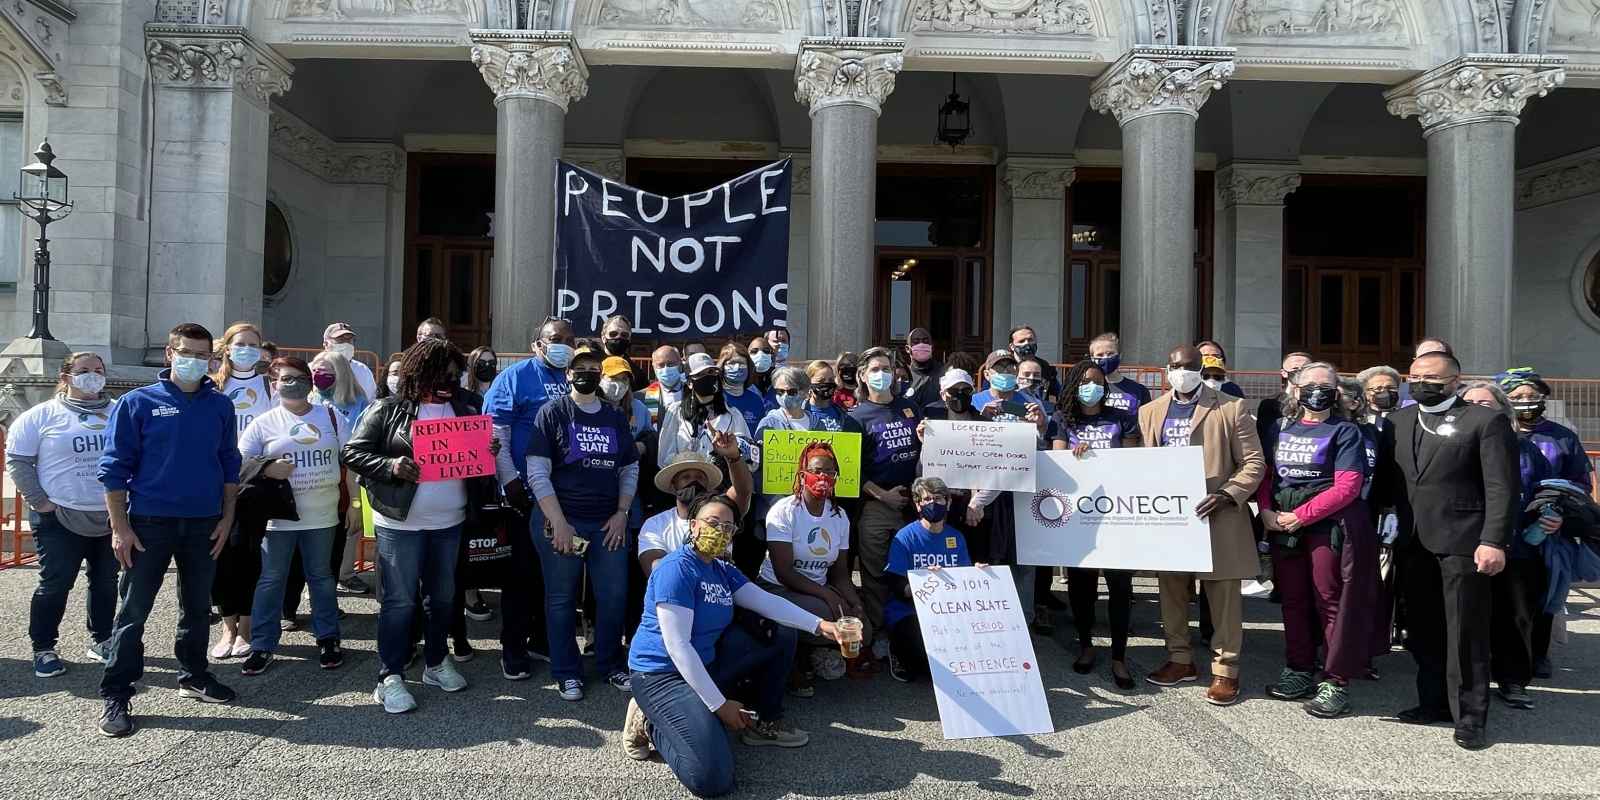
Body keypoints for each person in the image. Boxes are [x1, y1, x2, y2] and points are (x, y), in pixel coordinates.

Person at [622, 494, 838, 794]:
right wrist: (720, 705)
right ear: (694, 526)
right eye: (713, 523)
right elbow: (677, 646)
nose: (720, 531)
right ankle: (649, 724)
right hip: (662, 674)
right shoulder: (677, 568)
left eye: (728, 527)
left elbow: (767, 602)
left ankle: (766, 721)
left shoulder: (722, 570)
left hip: (705, 664)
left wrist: (821, 625)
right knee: (712, 779)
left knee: (779, 634)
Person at [96, 323, 242, 737]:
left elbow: (229, 462)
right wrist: (119, 526)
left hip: (203, 523)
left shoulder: (220, 406)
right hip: (149, 523)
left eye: (203, 355)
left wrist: (228, 515)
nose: (195, 361)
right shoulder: (136, 403)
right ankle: (118, 690)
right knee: (134, 610)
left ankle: (194, 675)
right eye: (187, 352)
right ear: (169, 353)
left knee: (197, 608)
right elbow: (114, 468)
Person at [343, 338, 501, 713]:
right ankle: (390, 676)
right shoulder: (388, 409)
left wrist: (486, 452)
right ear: (418, 373)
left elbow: (478, 459)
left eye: (453, 373)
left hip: (450, 521)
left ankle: (435, 661)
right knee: (399, 601)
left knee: (443, 597)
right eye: (438, 374)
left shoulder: (467, 407)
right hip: (400, 523)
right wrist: (392, 466)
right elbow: (353, 451)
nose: (447, 381)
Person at [1375, 350, 1518, 750]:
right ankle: (1433, 702)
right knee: (1423, 629)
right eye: (1415, 376)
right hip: (1413, 541)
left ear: (1454, 381)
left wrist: (1494, 540)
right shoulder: (1398, 421)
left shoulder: (1485, 422)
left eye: (1432, 378)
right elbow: (1387, 483)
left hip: (1465, 542)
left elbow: (1501, 486)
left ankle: (1470, 716)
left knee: (1465, 631)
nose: (1421, 383)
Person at [1140, 344, 1266, 706]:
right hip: (1171, 518)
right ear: (1167, 370)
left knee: (1224, 597)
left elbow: (1254, 463)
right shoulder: (1150, 412)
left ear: (1202, 368)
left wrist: (1228, 494)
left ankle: (1226, 671)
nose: (1184, 371)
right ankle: (1180, 659)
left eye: (1191, 366)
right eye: (1177, 366)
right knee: (1172, 593)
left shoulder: (1230, 407)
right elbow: (1136, 461)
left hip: (1218, 513)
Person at [1256, 362, 1378, 718]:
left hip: (1326, 525)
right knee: (1293, 600)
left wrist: (1301, 517)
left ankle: (1335, 680)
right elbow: (1267, 475)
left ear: (1337, 392)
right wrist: (1265, 512)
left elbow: (1348, 486)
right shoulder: (1279, 428)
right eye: (1311, 384)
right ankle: (1298, 668)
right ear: (1295, 388)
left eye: (1327, 386)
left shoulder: (1346, 432)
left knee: (1328, 600)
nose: (1318, 391)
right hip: (1282, 524)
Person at [527, 342, 640, 701]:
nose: (588, 375)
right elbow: (537, 472)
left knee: (613, 596)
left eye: (595, 369)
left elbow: (629, 467)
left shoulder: (614, 416)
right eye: (581, 369)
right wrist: (558, 522)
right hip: (563, 522)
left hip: (607, 522)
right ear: (568, 374)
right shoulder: (552, 412)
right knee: (561, 599)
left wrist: (622, 513)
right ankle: (566, 671)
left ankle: (610, 664)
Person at [237, 357, 353, 676]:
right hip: (278, 518)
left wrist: (354, 505)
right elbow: (239, 462)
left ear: (310, 381)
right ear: (274, 385)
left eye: (300, 377)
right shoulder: (263, 423)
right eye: (286, 378)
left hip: (322, 513)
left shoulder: (331, 417)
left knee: (321, 578)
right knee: (272, 578)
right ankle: (262, 644)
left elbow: (352, 460)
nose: (293, 383)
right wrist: (266, 467)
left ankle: (328, 638)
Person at [8, 352, 117, 678]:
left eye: (98, 370)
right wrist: (40, 502)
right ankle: (43, 647)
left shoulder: (119, 413)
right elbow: (18, 461)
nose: (92, 376)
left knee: (106, 582)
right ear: (66, 376)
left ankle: (102, 639)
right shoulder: (41, 416)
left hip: (110, 515)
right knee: (55, 583)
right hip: (58, 516)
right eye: (83, 370)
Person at [482, 317, 573, 660]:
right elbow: (497, 434)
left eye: (568, 338)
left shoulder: (572, 376)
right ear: (537, 344)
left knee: (551, 576)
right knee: (520, 575)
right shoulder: (514, 378)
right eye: (554, 338)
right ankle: (514, 646)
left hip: (563, 498)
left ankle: (541, 639)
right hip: (524, 495)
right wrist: (509, 481)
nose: (562, 344)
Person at [1460, 380, 1553, 712]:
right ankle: (1466, 680)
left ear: (1502, 410)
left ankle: (1512, 680)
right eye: (1469, 403)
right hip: (1462, 544)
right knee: (1467, 616)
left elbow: (1543, 490)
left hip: (1517, 545)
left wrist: (1550, 518)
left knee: (1514, 616)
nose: (1477, 409)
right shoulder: (1448, 445)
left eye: (1486, 404)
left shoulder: (1525, 448)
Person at [1495, 367, 1591, 683]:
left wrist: (1560, 515)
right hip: (1503, 526)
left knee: (1545, 594)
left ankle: (1538, 654)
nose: (1526, 401)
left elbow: (1580, 483)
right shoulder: (1496, 433)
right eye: (1517, 396)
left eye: (1532, 395)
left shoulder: (1563, 437)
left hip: (1550, 529)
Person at [1050, 359, 1140, 689]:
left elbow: (1131, 461)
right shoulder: (1062, 419)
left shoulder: (1121, 418)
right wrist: (1075, 454)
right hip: (1080, 517)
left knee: (1119, 588)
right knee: (1081, 588)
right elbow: (1058, 461)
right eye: (1086, 381)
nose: (1093, 387)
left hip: (1117, 515)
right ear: (1075, 384)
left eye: (1099, 382)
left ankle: (1119, 656)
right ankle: (1085, 644)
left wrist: (1102, 458)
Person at [759, 442, 869, 686]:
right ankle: (795, 654)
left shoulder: (839, 516)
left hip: (817, 592)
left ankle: (812, 647)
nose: (823, 477)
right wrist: (828, 596)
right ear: (802, 474)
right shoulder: (783, 511)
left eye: (830, 472)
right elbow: (784, 572)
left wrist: (855, 602)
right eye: (817, 471)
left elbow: (840, 574)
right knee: (829, 612)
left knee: (864, 626)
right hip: (778, 588)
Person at [849, 347, 923, 650]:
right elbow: (851, 470)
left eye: (887, 369)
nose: (882, 374)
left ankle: (912, 629)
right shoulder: (855, 417)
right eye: (875, 369)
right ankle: (879, 631)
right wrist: (882, 495)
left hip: (913, 504)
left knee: (912, 571)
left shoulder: (910, 407)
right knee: (876, 572)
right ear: (864, 376)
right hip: (877, 506)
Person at [209, 322, 272, 660]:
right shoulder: (212, 385)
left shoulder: (268, 386)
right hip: (214, 481)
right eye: (240, 343)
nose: (247, 349)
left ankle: (245, 628)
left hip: (254, 482)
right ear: (227, 348)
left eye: (253, 344)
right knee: (219, 556)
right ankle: (226, 625)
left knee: (247, 554)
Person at [883, 477, 974, 683]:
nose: (933, 503)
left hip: (948, 610)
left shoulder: (956, 538)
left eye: (939, 498)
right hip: (910, 610)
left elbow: (966, 579)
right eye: (926, 499)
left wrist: (980, 575)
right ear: (917, 505)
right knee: (921, 666)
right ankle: (896, 649)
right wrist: (925, 582)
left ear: (948, 503)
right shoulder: (904, 537)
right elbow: (896, 585)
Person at [639, 442, 751, 575]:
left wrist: (733, 456)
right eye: (686, 477)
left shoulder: (723, 514)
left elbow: (743, 491)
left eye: (700, 477)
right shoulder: (655, 524)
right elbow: (656, 568)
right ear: (673, 484)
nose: (694, 481)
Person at [657, 353, 755, 470]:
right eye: (700, 375)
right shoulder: (676, 412)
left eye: (711, 373)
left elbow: (751, 462)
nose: (708, 377)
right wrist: (689, 462)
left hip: (724, 485)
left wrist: (727, 457)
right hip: (685, 484)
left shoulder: (733, 415)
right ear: (689, 382)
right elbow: (664, 458)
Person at [1087, 332, 1151, 418]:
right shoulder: (1086, 389)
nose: (1105, 358)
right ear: (1092, 358)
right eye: (1100, 355)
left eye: (1110, 354)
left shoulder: (1139, 390)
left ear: (1120, 356)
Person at [323, 322, 378, 401]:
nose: (346, 344)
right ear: (326, 344)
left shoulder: (363, 370)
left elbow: (370, 401)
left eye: (349, 340)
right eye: (340, 340)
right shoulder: (313, 369)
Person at [802, 360, 859, 434]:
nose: (827, 383)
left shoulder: (842, 414)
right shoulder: (800, 412)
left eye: (831, 380)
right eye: (821, 381)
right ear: (808, 383)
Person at [719, 344, 765, 432]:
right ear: (722, 367)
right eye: (731, 363)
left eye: (741, 363)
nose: (737, 367)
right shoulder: (715, 398)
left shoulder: (756, 400)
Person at [1007, 324, 1061, 400]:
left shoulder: (1044, 366)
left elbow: (1059, 393)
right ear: (1012, 346)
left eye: (1030, 340)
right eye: (1021, 341)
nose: (1027, 343)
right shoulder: (1003, 366)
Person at [903, 327, 945, 411]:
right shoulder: (902, 375)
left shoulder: (944, 373)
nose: (921, 345)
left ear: (932, 347)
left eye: (926, 341)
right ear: (908, 349)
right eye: (916, 342)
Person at [644, 345, 685, 427]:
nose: (666, 369)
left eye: (671, 364)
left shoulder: (693, 392)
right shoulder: (642, 397)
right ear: (654, 367)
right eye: (661, 365)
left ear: (680, 364)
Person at [747, 335, 777, 402]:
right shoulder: (742, 384)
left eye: (766, 351)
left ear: (772, 356)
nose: (760, 354)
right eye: (754, 351)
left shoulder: (778, 382)